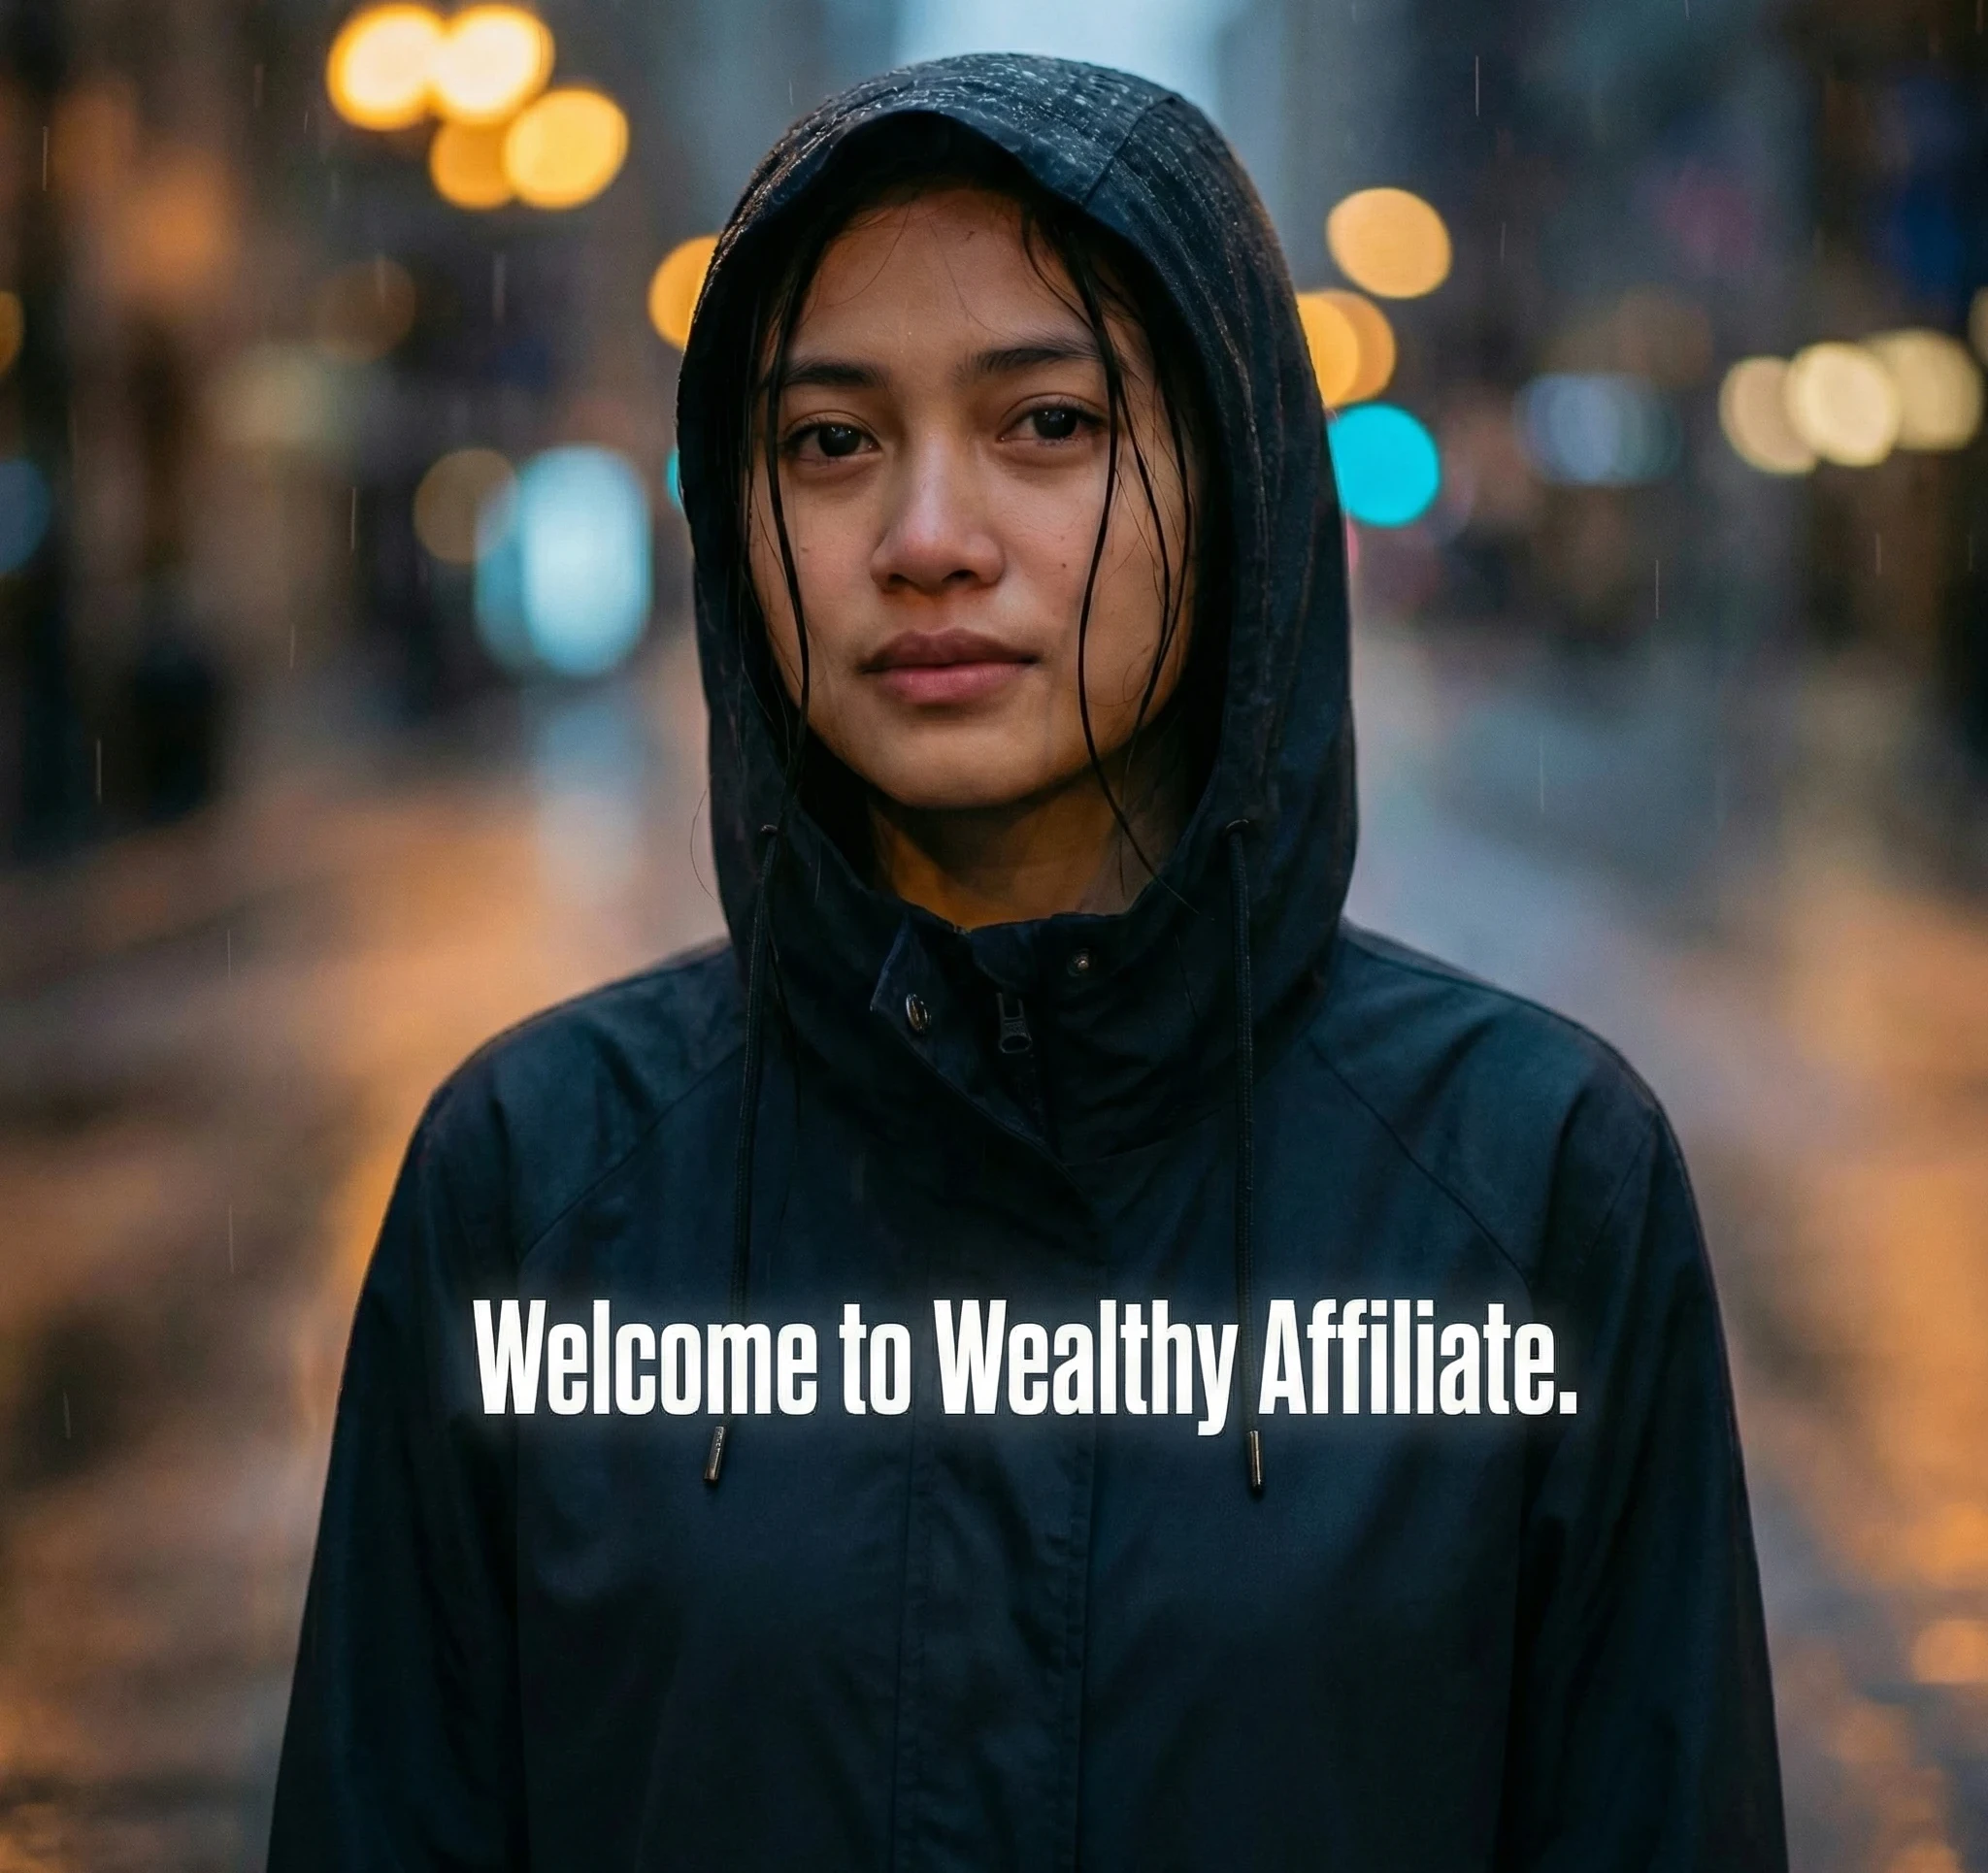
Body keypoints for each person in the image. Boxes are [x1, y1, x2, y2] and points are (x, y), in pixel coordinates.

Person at [268, 52, 1788, 1871]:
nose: (927, 540)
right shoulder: (533, 1183)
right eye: (831, 441)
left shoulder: (1530, 1186)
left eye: (1048, 423)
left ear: (1228, 479)